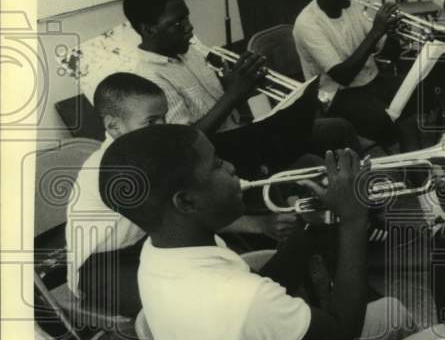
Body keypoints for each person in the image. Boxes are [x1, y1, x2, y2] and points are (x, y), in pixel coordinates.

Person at [99, 124, 412, 340]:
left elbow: (252, 300)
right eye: (216, 164)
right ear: (186, 201)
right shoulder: (237, 296)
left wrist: (312, 227)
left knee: (391, 313)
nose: (232, 167)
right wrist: (353, 219)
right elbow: (343, 333)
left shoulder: (162, 253)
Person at [65, 73, 298, 318]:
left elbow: (190, 209)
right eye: (151, 122)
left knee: (223, 293)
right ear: (114, 126)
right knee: (184, 310)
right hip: (102, 266)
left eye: (164, 118)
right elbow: (180, 216)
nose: (162, 128)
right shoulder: (117, 167)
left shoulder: (147, 153)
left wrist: (260, 224)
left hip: (147, 244)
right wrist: (258, 224)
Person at [123, 0, 360, 157]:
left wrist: (238, 83)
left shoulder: (189, 50)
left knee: (337, 128)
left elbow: (224, 101)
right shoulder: (150, 80)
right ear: (149, 29)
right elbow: (186, 141)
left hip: (242, 131)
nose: (189, 27)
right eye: (178, 23)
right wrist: (233, 94)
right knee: (330, 136)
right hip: (220, 154)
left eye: (187, 18)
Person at [289, 0, 425, 153]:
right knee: (391, 118)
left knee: (415, 95)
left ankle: (416, 168)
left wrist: (394, 35)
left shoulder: (352, 8)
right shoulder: (307, 23)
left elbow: (386, 54)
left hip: (370, 82)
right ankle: (410, 166)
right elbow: (343, 76)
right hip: (336, 97)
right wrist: (376, 31)